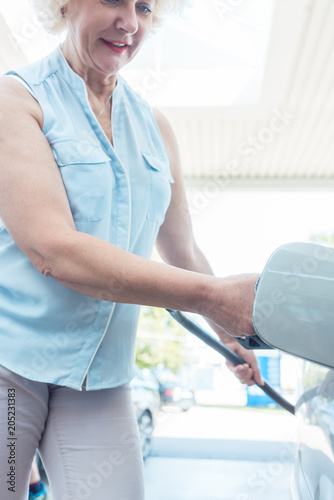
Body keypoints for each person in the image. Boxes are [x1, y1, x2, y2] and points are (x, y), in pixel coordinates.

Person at [0, 0, 263, 498]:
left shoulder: (155, 127)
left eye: (144, 6)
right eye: (114, 0)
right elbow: (54, 250)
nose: (130, 22)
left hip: (101, 375)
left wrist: (229, 336)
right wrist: (211, 296)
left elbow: (181, 246)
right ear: (64, 4)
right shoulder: (16, 99)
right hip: (12, 366)